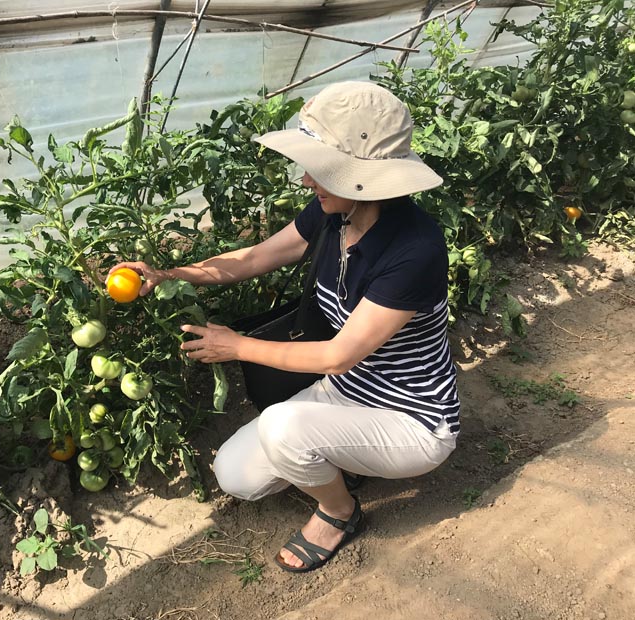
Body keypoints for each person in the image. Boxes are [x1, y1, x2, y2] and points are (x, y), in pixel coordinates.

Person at [110, 81, 460, 573]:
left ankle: (339, 512)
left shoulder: (415, 249)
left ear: (361, 176)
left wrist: (236, 346)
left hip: (411, 419)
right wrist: (170, 275)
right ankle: (345, 458)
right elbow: (256, 258)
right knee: (236, 475)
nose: (305, 179)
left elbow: (338, 355)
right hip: (346, 393)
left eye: (320, 168)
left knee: (283, 428)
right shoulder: (335, 212)